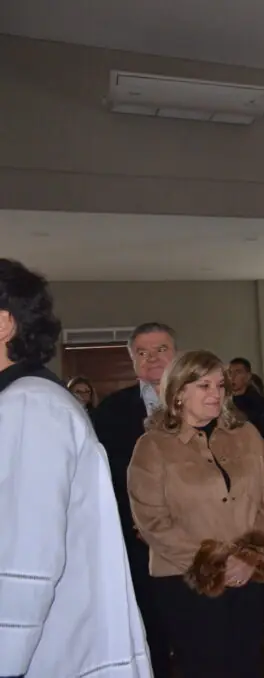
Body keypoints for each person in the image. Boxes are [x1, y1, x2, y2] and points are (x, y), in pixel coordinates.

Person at [0, 258, 151, 678]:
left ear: (3, 324)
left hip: (49, 650)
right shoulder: (21, 401)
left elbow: (26, 555)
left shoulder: (31, 405)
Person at [128, 350, 264, 678]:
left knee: (244, 666)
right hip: (185, 580)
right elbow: (152, 521)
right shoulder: (153, 446)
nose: (216, 393)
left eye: (220, 385)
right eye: (203, 385)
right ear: (179, 392)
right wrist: (217, 563)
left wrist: (249, 555)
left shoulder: (246, 435)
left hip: (246, 576)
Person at [92, 321, 178, 678]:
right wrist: (136, 522)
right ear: (132, 361)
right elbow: (106, 476)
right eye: (142, 352)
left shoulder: (206, 401)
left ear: (176, 355)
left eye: (160, 350)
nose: (152, 358)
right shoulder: (111, 411)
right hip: (138, 538)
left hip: (201, 536)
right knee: (151, 622)